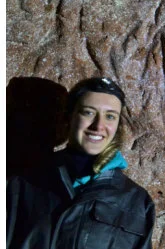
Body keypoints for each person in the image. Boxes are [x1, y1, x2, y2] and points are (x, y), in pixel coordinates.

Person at [6, 77, 155, 249]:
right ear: (69, 117)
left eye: (110, 116)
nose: (99, 126)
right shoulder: (22, 185)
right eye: (88, 112)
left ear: (117, 126)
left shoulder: (137, 202)